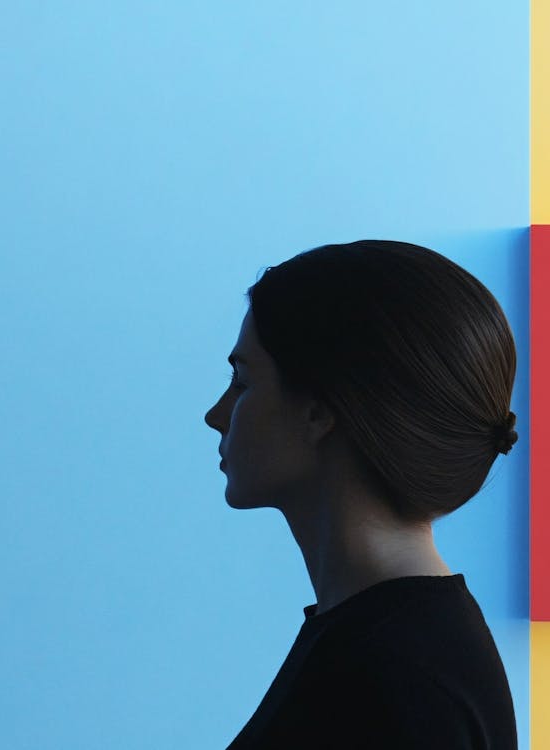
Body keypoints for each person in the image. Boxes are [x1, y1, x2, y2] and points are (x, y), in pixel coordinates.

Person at [204, 239, 520, 749]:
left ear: (319, 411)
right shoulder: (385, 643)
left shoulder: (397, 679)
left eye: (242, 380)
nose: (216, 414)